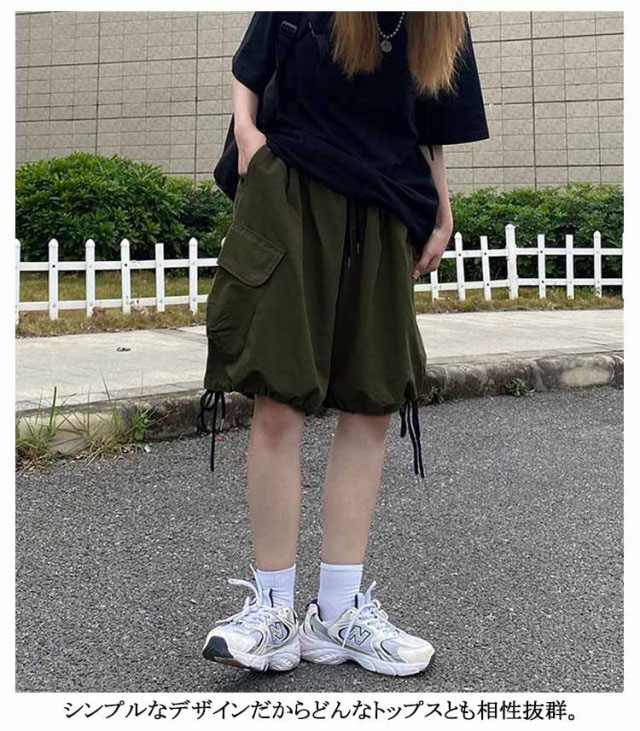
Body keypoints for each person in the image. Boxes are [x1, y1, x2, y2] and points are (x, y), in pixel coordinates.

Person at [199, 10, 489, 676]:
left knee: (372, 401)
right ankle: (272, 611)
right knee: (278, 392)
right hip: (293, 186)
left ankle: (336, 612)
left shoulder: (441, 18)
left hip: (388, 202)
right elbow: (251, 65)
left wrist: (441, 204)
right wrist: (247, 138)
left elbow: (432, 118)